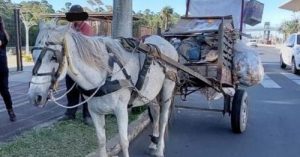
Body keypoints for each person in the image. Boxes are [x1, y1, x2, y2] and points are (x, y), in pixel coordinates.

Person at [62, 5, 94, 125]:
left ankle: (87, 115)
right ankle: (70, 113)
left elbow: (82, 45)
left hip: (83, 64)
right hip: (71, 64)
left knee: (85, 90)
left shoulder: (87, 28)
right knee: (70, 91)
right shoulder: (71, 26)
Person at [0, 16, 16, 122]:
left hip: (1, 68)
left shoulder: (2, 34)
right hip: (2, 67)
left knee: (4, 91)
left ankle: (10, 111)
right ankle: (11, 111)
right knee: (5, 91)